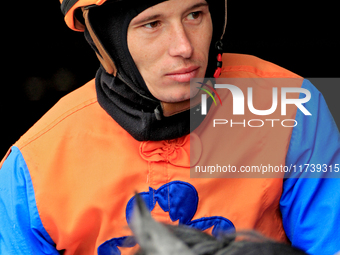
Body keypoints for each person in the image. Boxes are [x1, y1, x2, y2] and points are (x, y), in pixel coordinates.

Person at [0, 0, 339, 255]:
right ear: (105, 40)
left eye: (195, 15)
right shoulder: (32, 166)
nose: (184, 47)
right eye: (152, 24)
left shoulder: (289, 105)